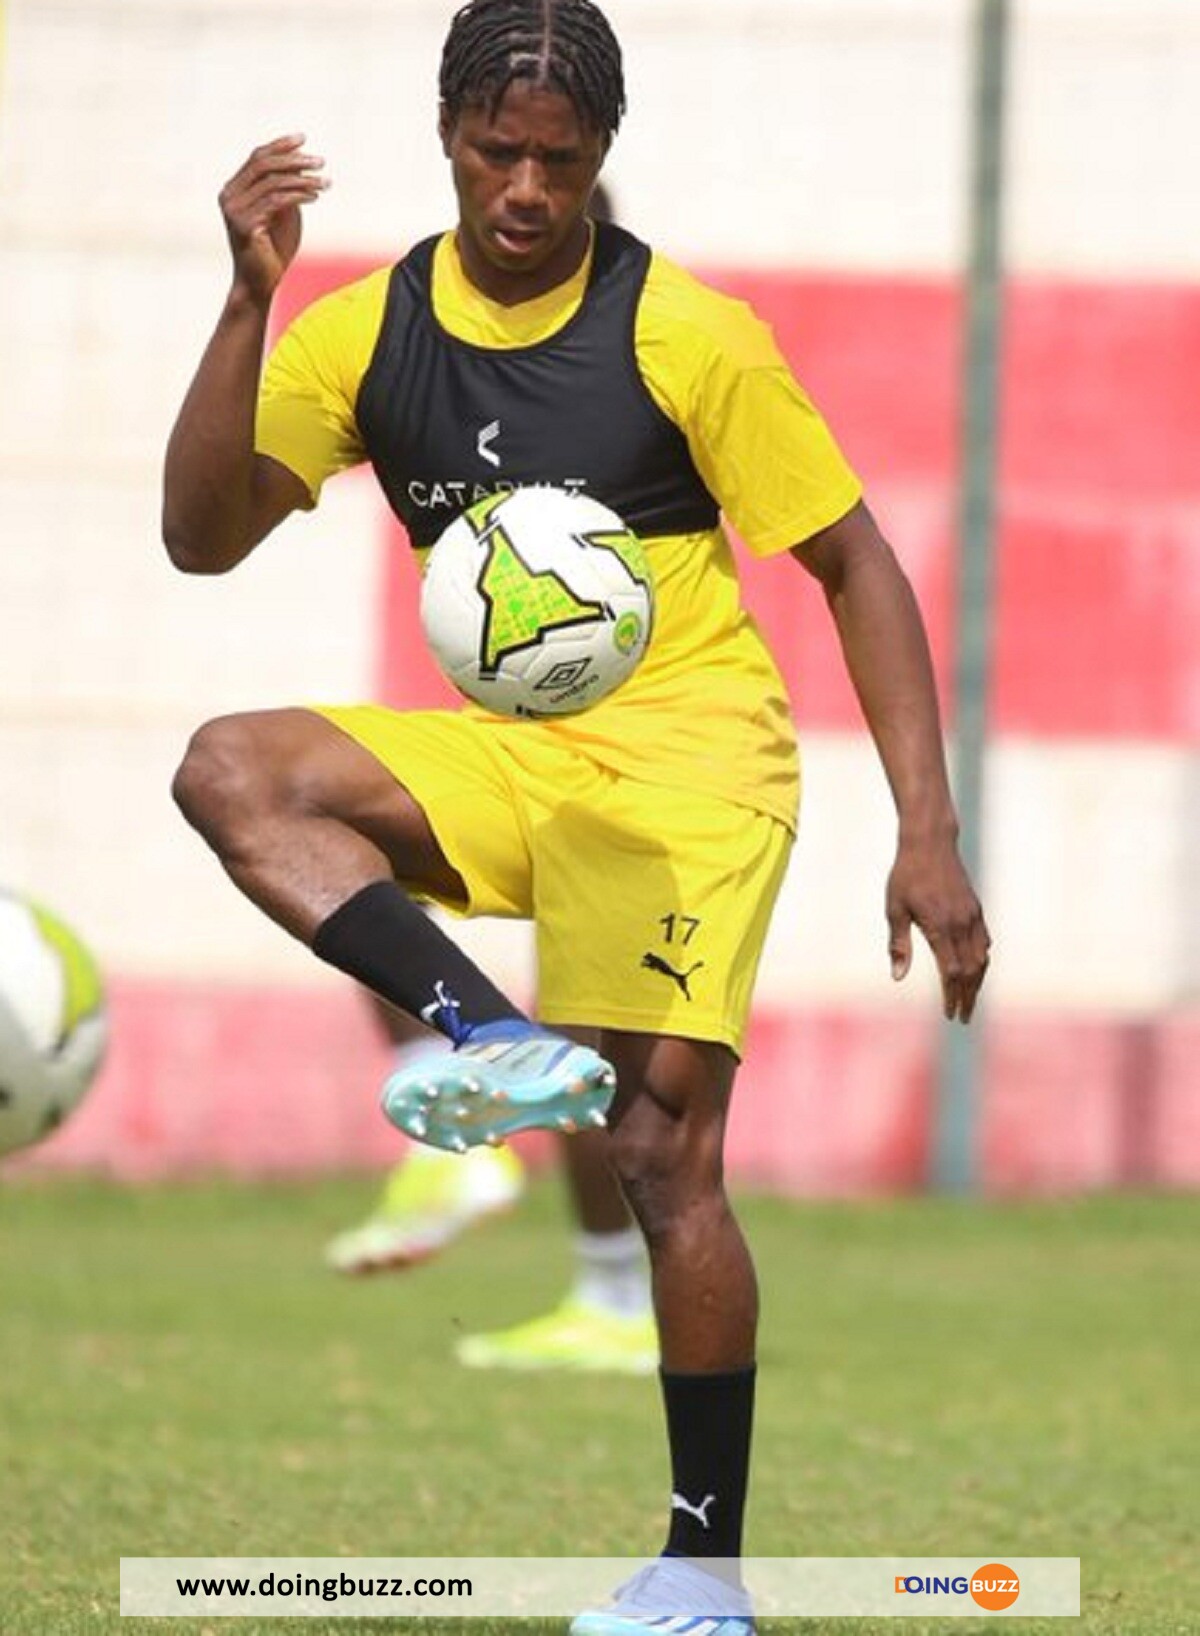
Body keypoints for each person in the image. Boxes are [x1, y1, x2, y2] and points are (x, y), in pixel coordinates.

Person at [163, 1, 990, 1629]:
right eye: (496, 151)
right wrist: (249, 304)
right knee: (232, 771)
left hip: (693, 779)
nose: (526, 187)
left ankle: (701, 1572)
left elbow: (855, 563)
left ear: (603, 154)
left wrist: (929, 827)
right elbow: (202, 537)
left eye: (561, 157)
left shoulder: (690, 335)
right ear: (448, 133)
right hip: (521, 760)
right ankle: (485, 1037)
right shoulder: (366, 330)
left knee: (662, 1157)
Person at [324, 183, 657, 1376]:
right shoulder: (449, 364)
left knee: (601, 1043)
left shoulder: (641, 375)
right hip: (513, 734)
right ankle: (445, 1097)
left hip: (646, 750)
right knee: (318, 825)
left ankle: (616, 1299)